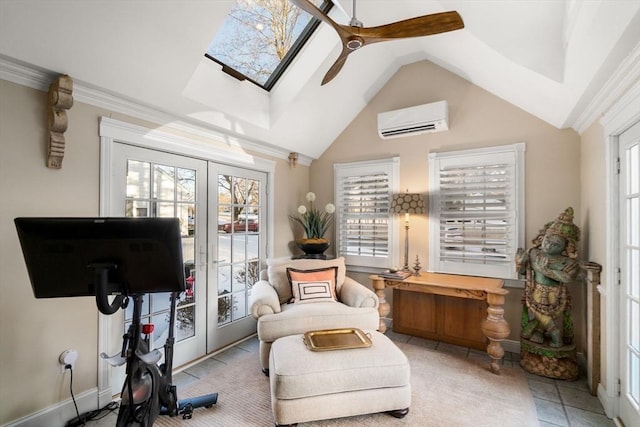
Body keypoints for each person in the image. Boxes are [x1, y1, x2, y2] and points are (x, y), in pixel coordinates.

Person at [516, 207, 580, 348]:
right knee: (539, 312)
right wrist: (519, 263)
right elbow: (522, 271)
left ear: (566, 247)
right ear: (542, 238)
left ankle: (543, 331)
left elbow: (568, 278)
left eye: (556, 244)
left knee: (547, 316)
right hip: (536, 291)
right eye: (547, 240)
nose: (549, 245)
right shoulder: (534, 253)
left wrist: (545, 271)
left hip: (556, 294)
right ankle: (553, 331)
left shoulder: (566, 262)